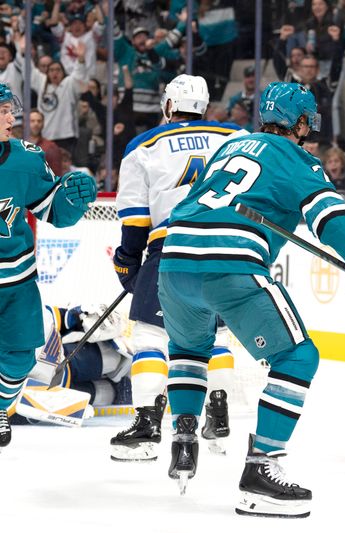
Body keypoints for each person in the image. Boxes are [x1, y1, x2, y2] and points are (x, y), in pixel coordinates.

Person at [157, 81, 345, 515]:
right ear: (301, 123)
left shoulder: (231, 147)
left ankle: (183, 436)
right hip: (229, 264)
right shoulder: (297, 158)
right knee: (297, 358)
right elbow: (334, 223)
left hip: (174, 260)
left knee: (187, 348)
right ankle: (261, 470)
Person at [110, 75, 247, 462]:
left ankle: (147, 426)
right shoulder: (235, 137)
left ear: (168, 105)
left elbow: (136, 220)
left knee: (151, 337)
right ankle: (217, 416)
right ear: (204, 106)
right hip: (226, 247)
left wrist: (127, 263)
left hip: (172, 246)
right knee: (216, 334)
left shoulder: (144, 145)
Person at [0, 83, 97, 451]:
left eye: (12, 109)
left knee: (20, 357)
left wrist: (70, 201)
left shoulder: (25, 158)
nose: (13, 117)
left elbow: (52, 209)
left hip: (17, 281)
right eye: (4, 111)